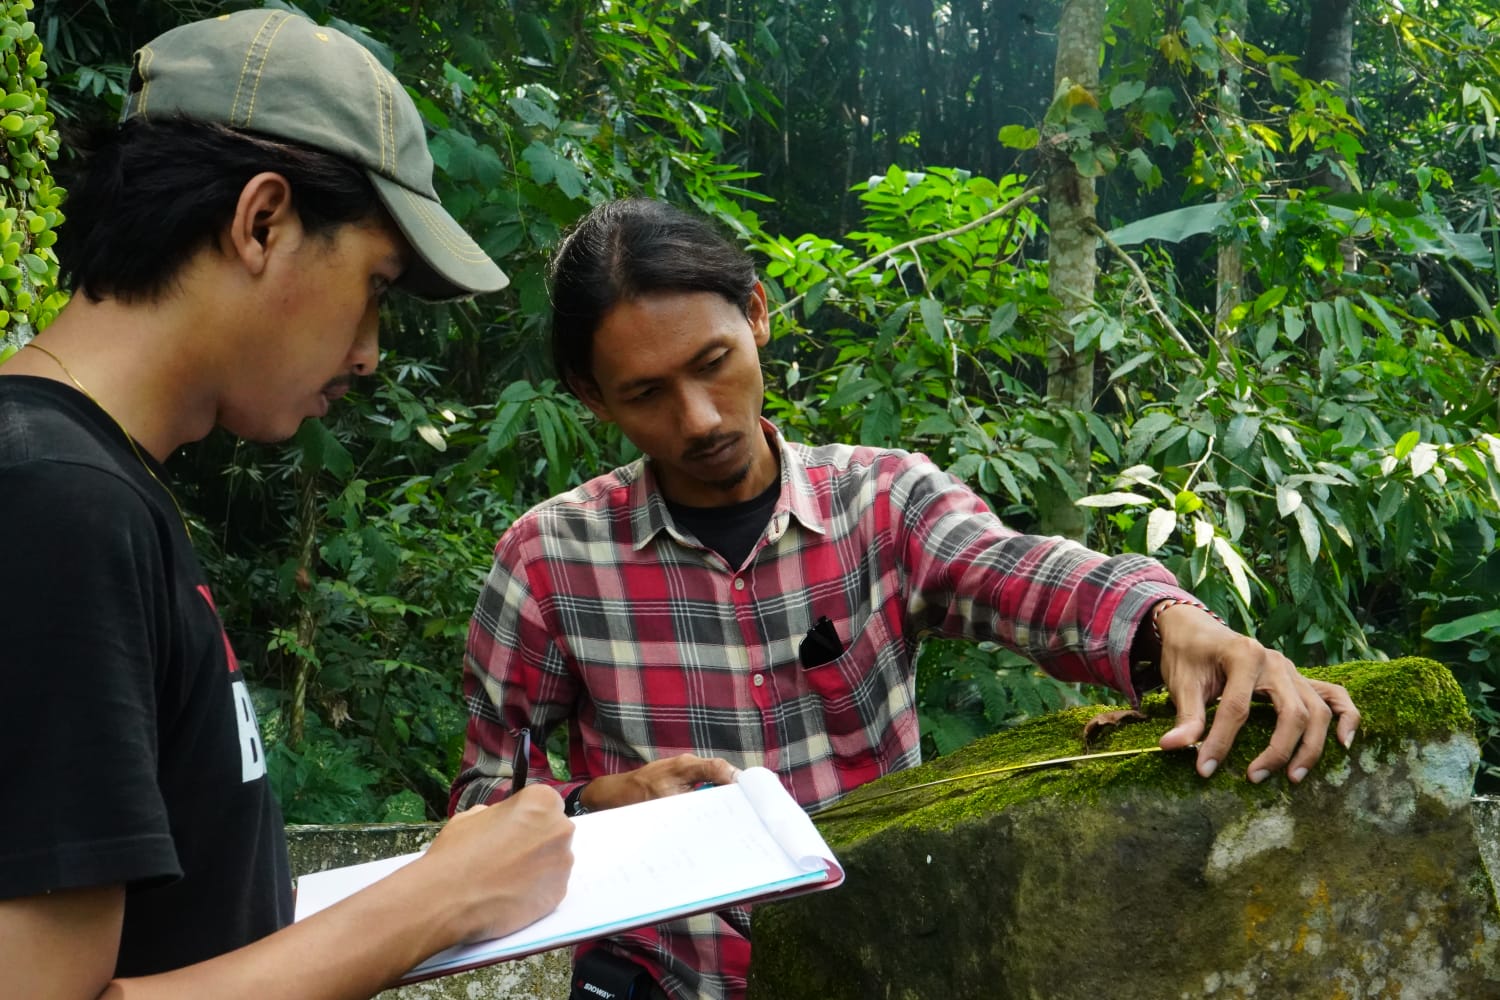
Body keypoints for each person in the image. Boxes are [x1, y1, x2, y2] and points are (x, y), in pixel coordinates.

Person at [449, 198, 1363, 999]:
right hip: (656, 979)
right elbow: (479, 809)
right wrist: (606, 800)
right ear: (589, 396)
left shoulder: (881, 506)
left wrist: (1173, 623)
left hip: (879, 965)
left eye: (714, 362)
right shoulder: (548, 561)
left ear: (758, 315)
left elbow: (1017, 572)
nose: (699, 418)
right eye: (646, 393)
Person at [0, 11, 574, 999]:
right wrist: (442, 897)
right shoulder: (55, 501)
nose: (371, 351)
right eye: (377, 286)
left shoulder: (90, 481)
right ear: (261, 220)